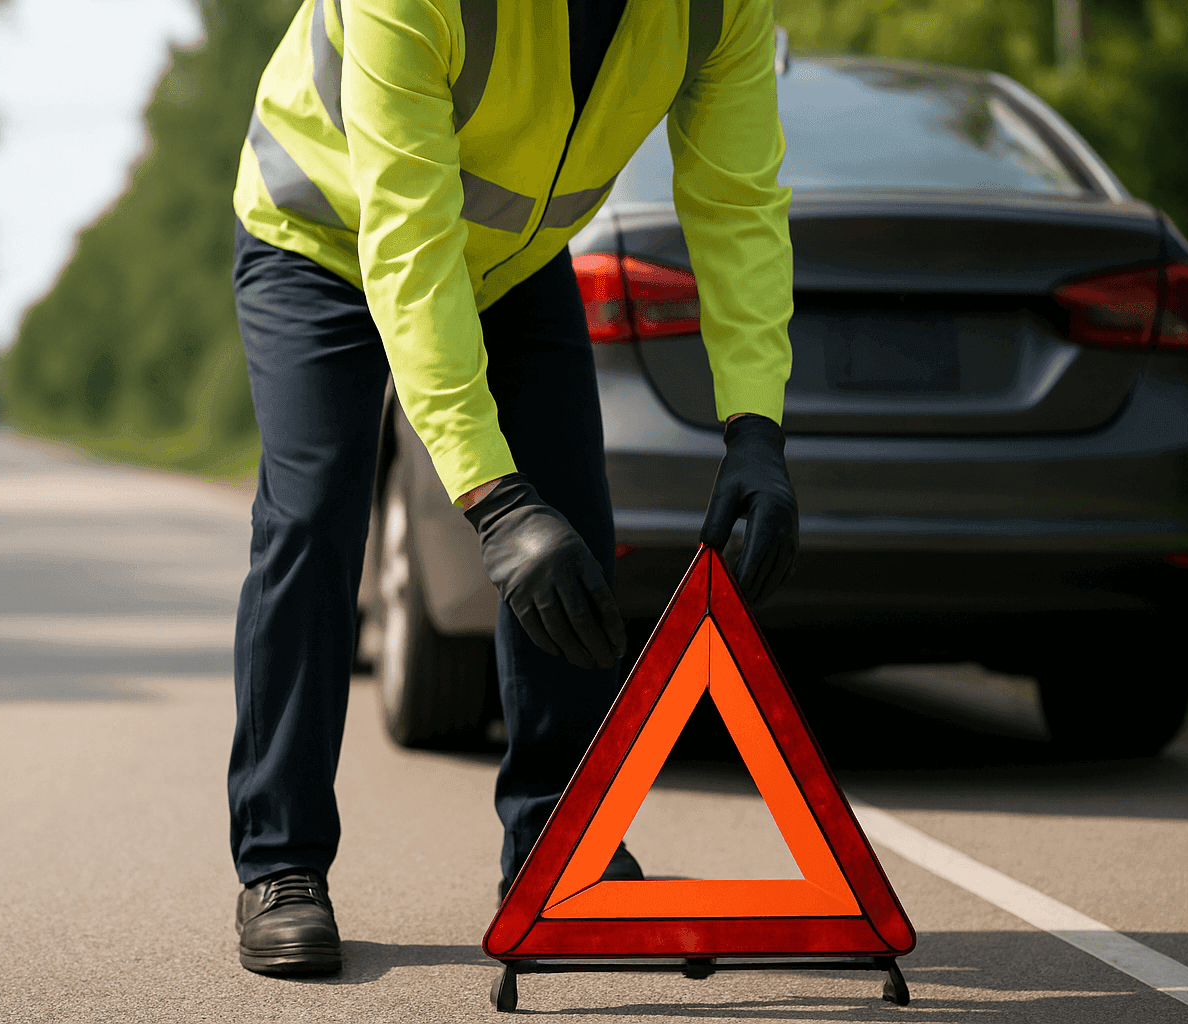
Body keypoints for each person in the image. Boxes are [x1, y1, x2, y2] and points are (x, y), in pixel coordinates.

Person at [227, 0, 798, 976]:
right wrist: (493, 500)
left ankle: (559, 849)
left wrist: (756, 428)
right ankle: (281, 862)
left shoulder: (719, 5)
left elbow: (737, 200)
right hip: (320, 227)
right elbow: (408, 243)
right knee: (314, 517)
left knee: (574, 515)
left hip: (511, 258)